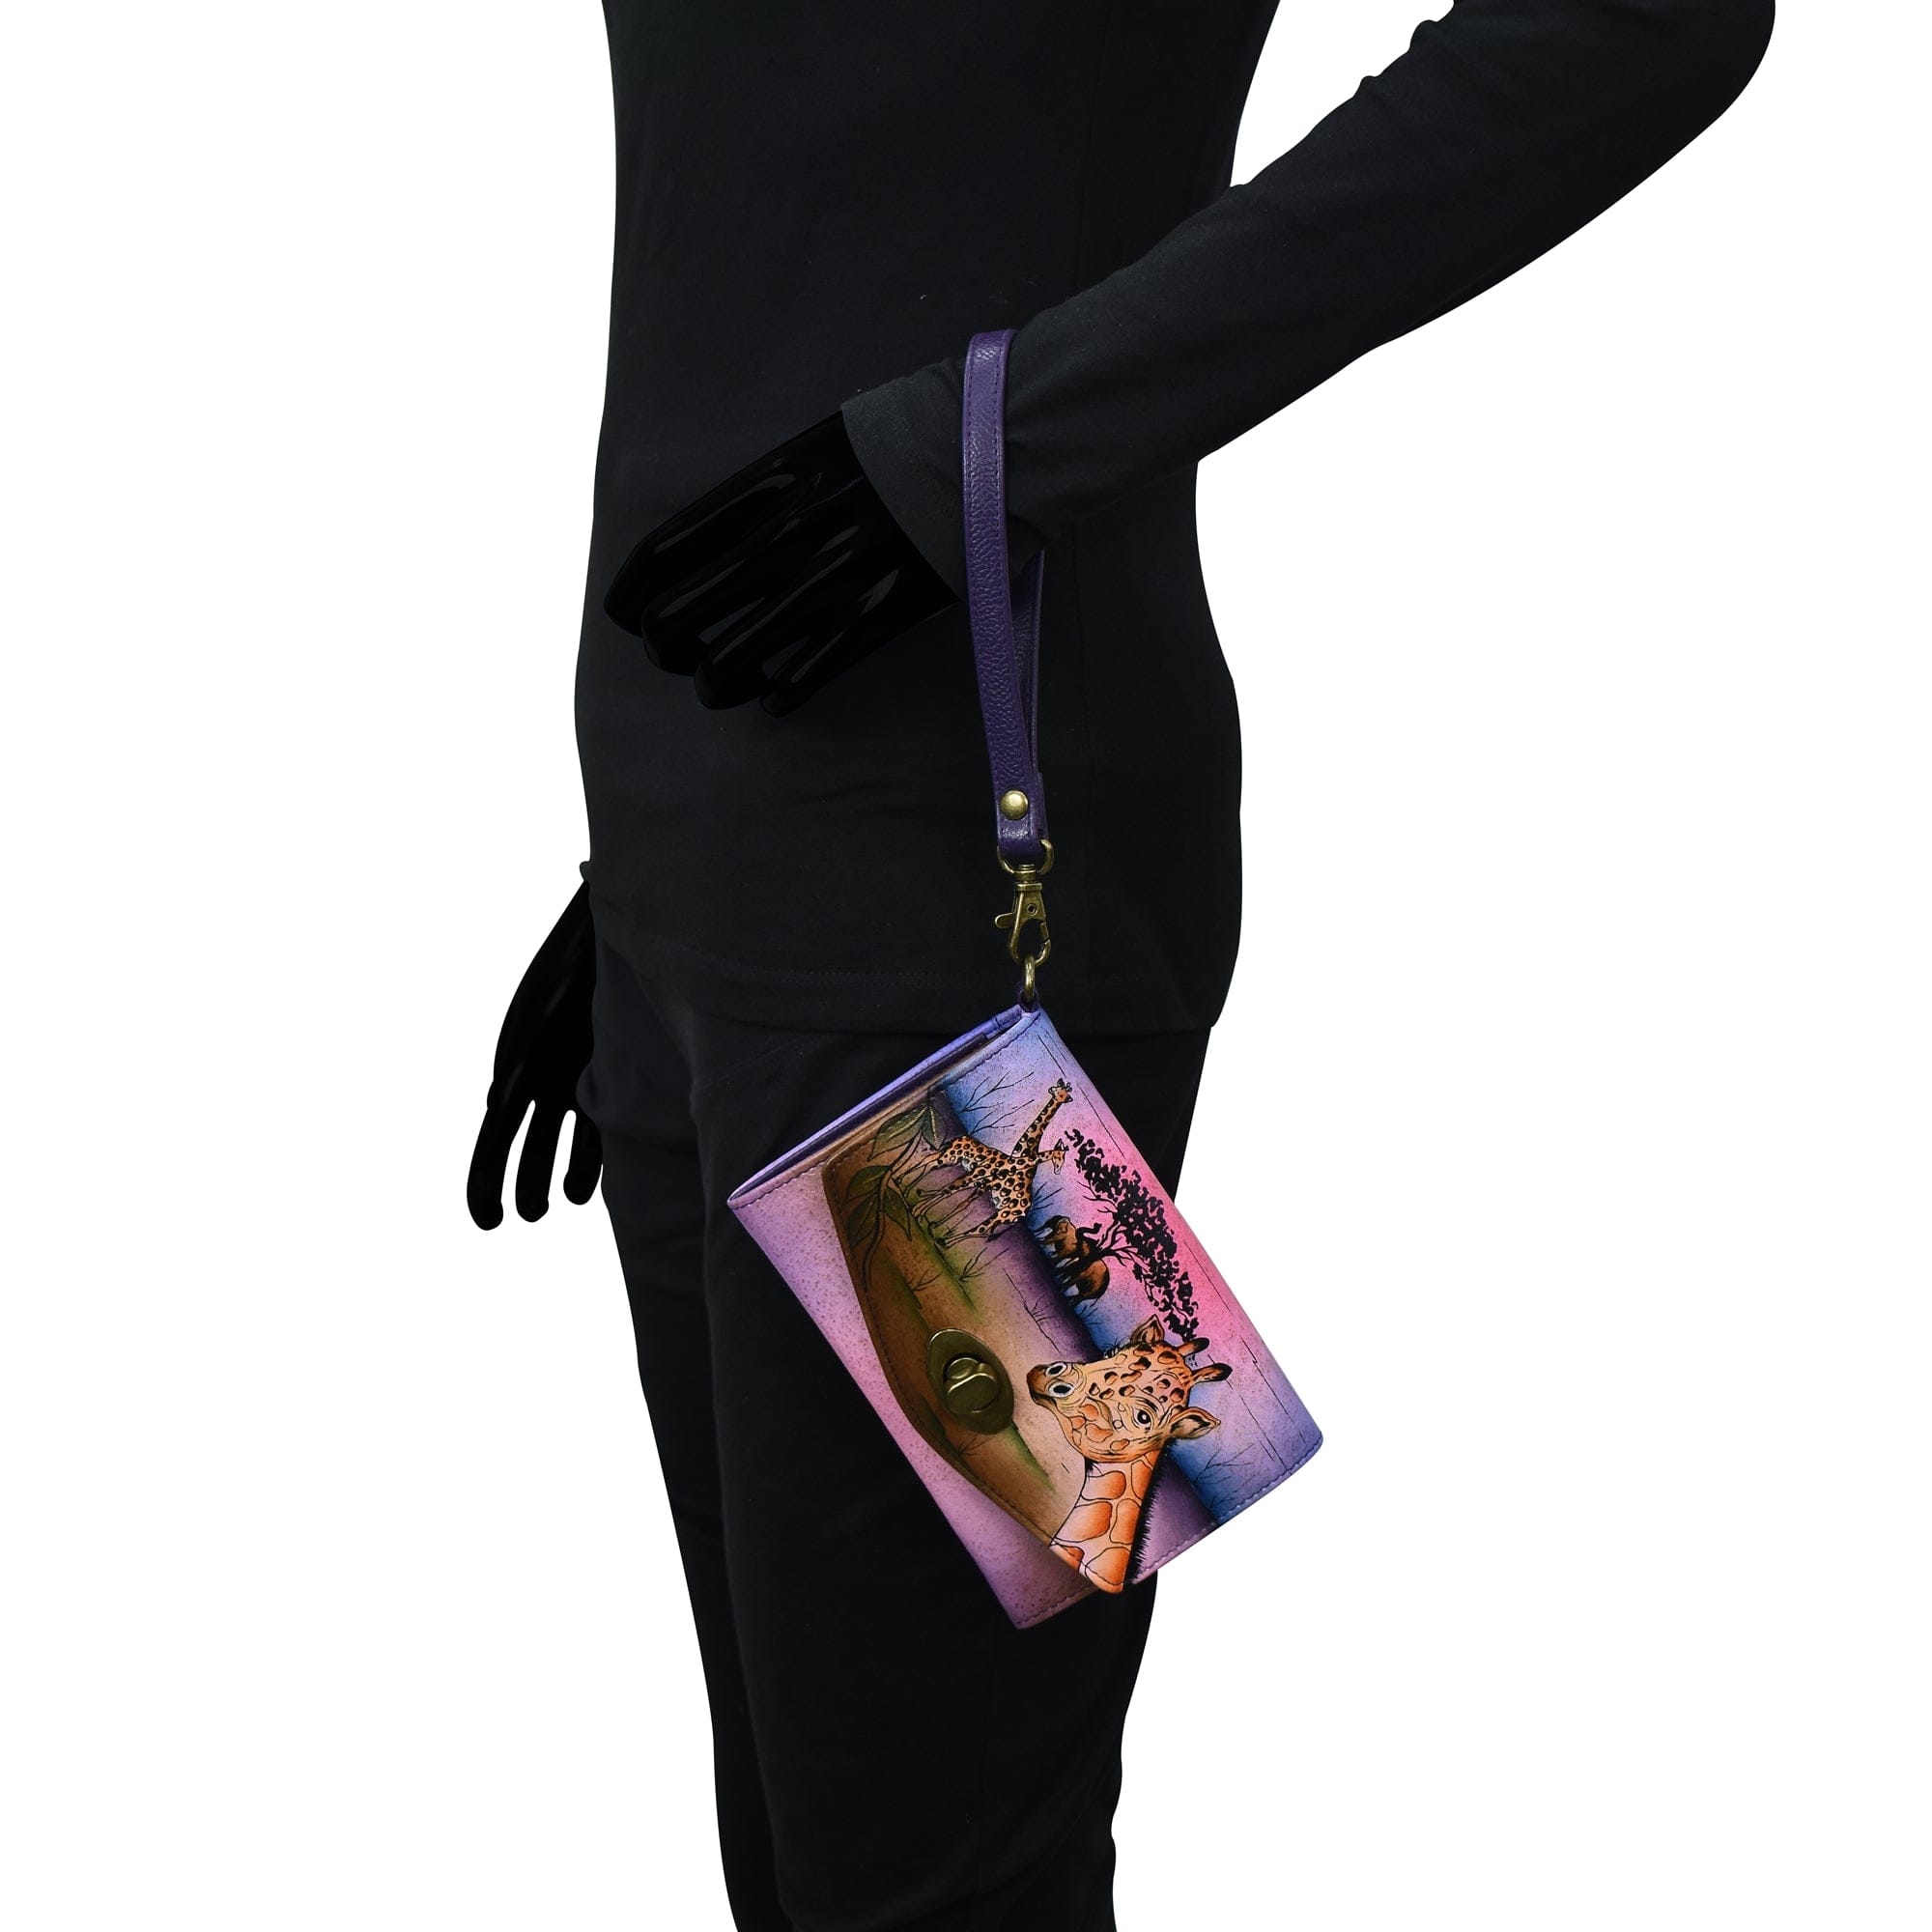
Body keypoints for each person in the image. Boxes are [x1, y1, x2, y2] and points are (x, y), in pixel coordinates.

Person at [468, 4, 1774, 1925]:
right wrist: (651, 857)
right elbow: (771, 255)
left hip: (963, 916)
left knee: (944, 1871)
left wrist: (998, 439)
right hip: (692, 896)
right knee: (805, 1847)